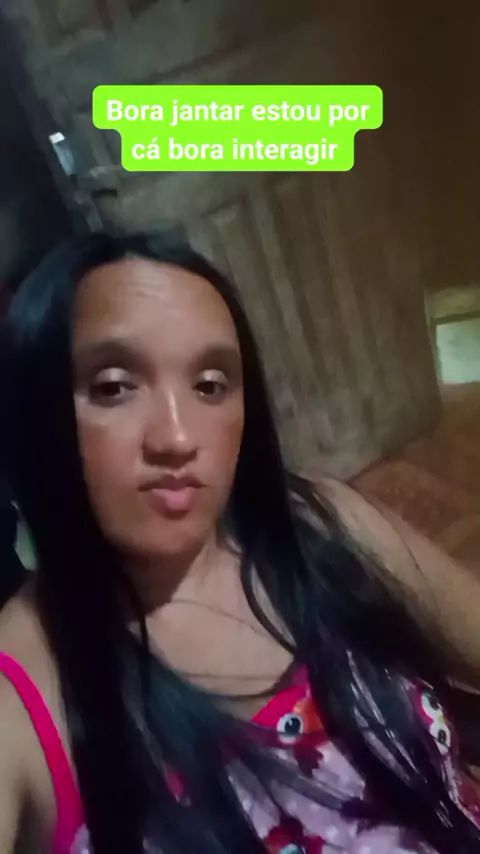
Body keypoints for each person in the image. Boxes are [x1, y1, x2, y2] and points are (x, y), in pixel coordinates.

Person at [1, 232, 480, 854]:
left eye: (210, 385)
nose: (177, 438)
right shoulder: (21, 701)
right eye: (114, 386)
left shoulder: (320, 525)